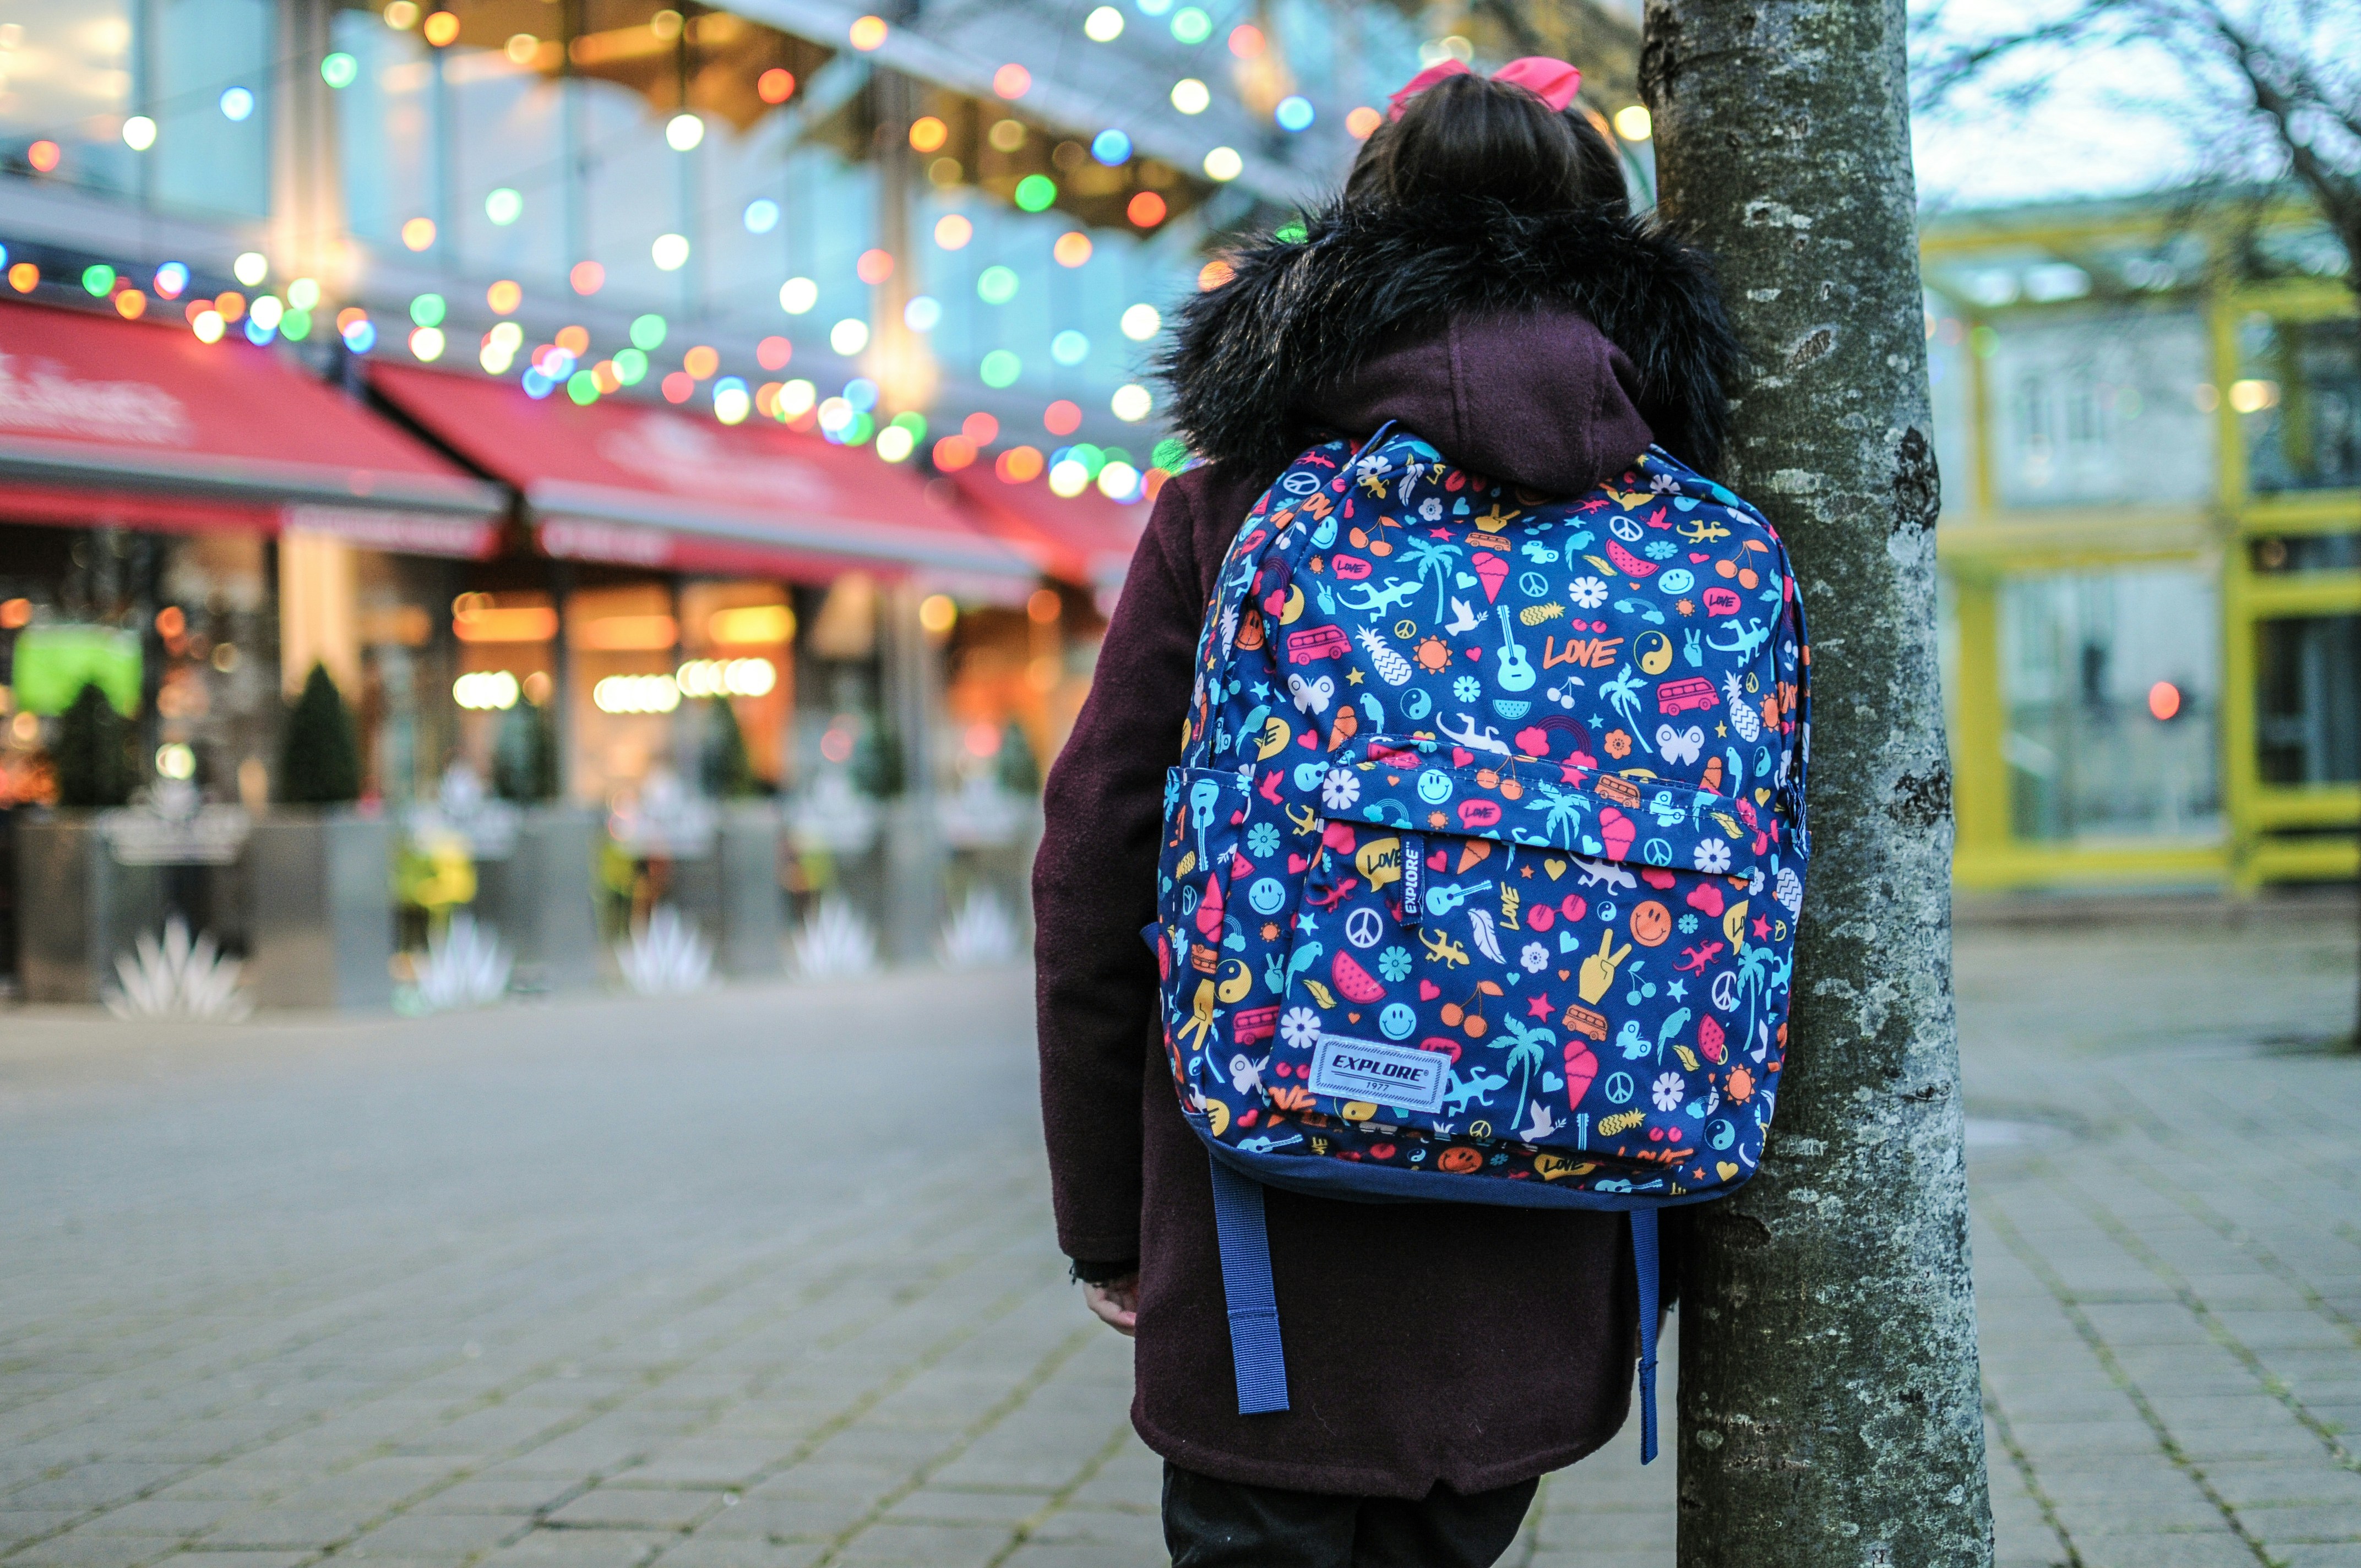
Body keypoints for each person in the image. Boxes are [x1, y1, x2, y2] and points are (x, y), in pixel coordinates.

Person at [1032, 60, 1740, 1568]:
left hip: (1264, 1242)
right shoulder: (1686, 512)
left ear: (1355, 237)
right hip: (1554, 1229)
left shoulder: (1232, 505)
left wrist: (1107, 1218)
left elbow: (1097, 862)